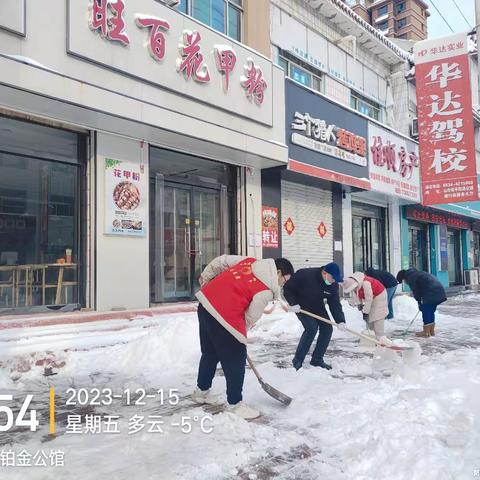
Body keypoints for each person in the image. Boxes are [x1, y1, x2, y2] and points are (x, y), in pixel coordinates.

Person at [192, 254, 294, 419]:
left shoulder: (248, 262)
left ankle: (201, 392)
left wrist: (206, 279)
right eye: (285, 280)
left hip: (205, 304)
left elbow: (221, 261)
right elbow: (251, 316)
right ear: (279, 273)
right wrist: (237, 336)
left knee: (210, 352)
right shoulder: (266, 290)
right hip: (224, 315)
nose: (283, 284)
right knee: (236, 359)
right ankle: (234, 404)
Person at [283, 262, 346, 371]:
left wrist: (340, 320)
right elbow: (287, 288)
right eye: (332, 278)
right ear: (325, 273)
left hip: (317, 305)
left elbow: (334, 303)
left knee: (327, 328)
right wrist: (293, 303)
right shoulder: (305, 275)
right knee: (311, 328)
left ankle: (317, 359)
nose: (333, 281)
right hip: (301, 305)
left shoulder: (332, 285)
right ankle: (297, 361)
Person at [342, 272, 393, 346]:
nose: (353, 290)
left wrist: (365, 312)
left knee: (377, 316)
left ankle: (382, 339)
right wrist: (360, 304)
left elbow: (369, 299)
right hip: (372, 297)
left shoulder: (366, 283)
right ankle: (372, 336)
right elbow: (358, 295)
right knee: (369, 318)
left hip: (379, 295)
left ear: (356, 284)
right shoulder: (356, 286)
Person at [396, 268, 447, 337]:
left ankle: (426, 332)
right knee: (431, 311)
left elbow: (416, 291)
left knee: (426, 310)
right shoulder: (417, 273)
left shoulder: (411, 277)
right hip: (439, 291)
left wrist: (419, 302)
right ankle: (431, 331)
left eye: (403, 280)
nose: (405, 282)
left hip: (431, 293)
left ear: (404, 277)